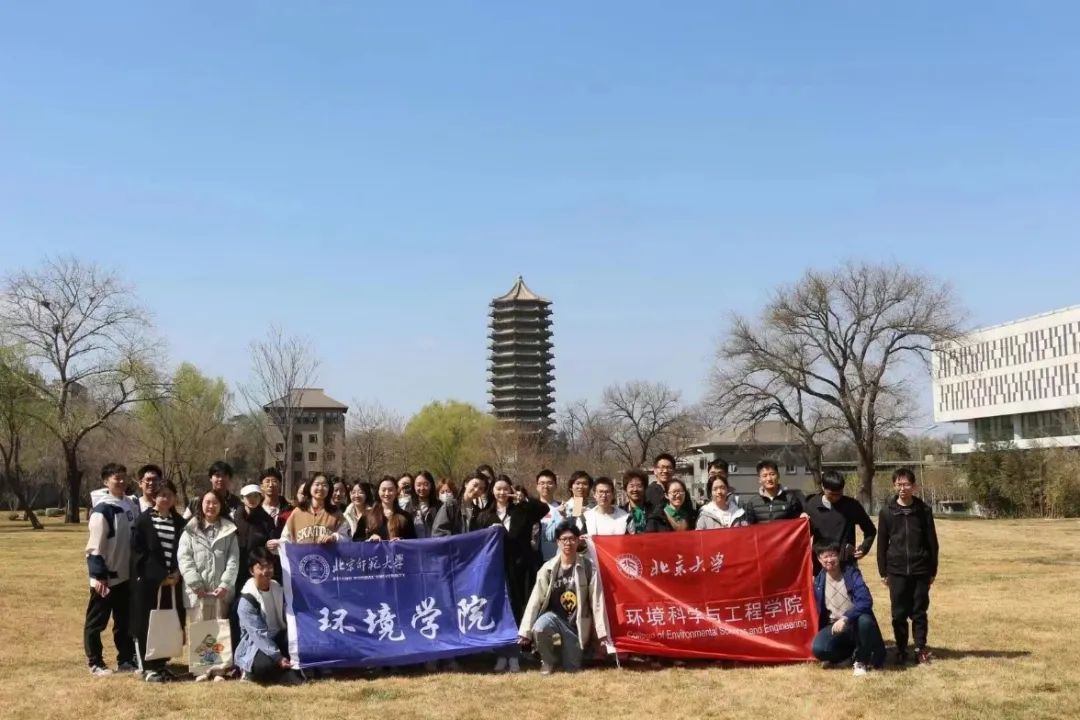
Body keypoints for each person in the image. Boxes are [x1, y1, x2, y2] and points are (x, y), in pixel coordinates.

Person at [477, 475, 551, 672]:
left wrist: (524, 499)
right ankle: (502, 653)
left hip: (521, 566)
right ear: (492, 491)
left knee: (519, 607)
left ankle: (517, 653)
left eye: (505, 489)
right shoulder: (485, 515)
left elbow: (543, 509)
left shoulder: (522, 510)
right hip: (497, 568)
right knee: (501, 609)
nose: (502, 492)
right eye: (498, 489)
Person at [518, 521, 609, 675]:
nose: (568, 543)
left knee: (572, 668)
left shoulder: (588, 567)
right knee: (540, 627)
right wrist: (525, 631)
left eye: (572, 539)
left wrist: (602, 633)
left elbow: (597, 601)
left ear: (578, 541)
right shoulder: (547, 569)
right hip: (554, 619)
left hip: (576, 626)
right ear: (557, 542)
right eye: (564, 539)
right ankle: (548, 661)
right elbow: (535, 600)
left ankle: (566, 652)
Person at [877, 467, 939, 665]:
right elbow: (882, 544)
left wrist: (932, 570)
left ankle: (920, 648)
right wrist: (883, 572)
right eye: (899, 484)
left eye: (906, 484)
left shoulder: (923, 511)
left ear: (914, 486)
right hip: (896, 570)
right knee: (899, 613)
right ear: (894, 486)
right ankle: (902, 649)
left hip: (920, 569)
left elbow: (932, 543)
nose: (902, 488)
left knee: (919, 612)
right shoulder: (887, 512)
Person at [177, 489, 239, 681]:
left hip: (220, 591)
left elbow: (233, 560)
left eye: (215, 503)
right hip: (198, 591)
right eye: (207, 502)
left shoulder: (229, 531)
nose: (211, 506)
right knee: (200, 627)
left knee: (219, 628)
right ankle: (202, 669)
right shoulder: (190, 530)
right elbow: (184, 558)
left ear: (221, 506)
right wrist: (195, 583)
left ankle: (219, 669)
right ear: (200, 505)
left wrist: (225, 584)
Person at [84, 463, 138, 677]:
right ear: (106, 481)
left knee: (123, 623)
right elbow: (94, 547)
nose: (122, 481)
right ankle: (95, 662)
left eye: (124, 477)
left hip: (124, 577)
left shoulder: (129, 504)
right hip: (106, 578)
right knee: (97, 623)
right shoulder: (102, 510)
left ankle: (125, 659)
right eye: (117, 478)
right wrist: (99, 575)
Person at [129, 479, 186, 682]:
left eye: (170, 495)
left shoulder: (180, 522)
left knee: (167, 623)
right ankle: (147, 667)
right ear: (154, 497)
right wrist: (159, 577)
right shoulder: (143, 521)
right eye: (162, 495)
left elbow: (184, 551)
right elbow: (138, 553)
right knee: (147, 623)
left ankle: (161, 664)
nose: (166, 498)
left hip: (173, 583)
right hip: (149, 583)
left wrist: (177, 573)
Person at [811, 543, 886, 675]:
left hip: (855, 621)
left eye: (833, 555)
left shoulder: (851, 573)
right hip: (834, 625)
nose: (829, 560)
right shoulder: (818, 581)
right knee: (818, 649)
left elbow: (865, 600)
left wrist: (846, 617)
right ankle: (848, 655)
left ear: (839, 556)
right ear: (819, 559)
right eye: (825, 556)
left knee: (865, 621)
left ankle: (861, 660)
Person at [235, 548, 303, 685]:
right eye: (261, 567)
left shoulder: (277, 588)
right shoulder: (247, 600)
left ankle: (289, 671)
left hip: (279, 636)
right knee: (264, 666)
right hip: (257, 644)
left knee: (301, 642)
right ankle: (249, 672)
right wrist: (278, 657)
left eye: (269, 566)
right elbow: (258, 635)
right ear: (252, 571)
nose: (266, 571)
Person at [805, 471, 876, 565]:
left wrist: (864, 548)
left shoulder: (852, 506)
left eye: (839, 494)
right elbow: (802, 534)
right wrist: (802, 520)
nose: (835, 498)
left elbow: (870, 530)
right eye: (832, 494)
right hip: (821, 563)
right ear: (823, 487)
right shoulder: (811, 505)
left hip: (845, 563)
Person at [281, 475, 348, 545]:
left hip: (328, 552)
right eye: (317, 484)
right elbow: (285, 538)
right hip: (302, 552)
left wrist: (334, 537)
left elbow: (347, 537)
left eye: (324, 485)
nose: (320, 488)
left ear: (329, 489)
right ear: (310, 487)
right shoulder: (297, 512)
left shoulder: (336, 513)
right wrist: (277, 544)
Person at [740, 460, 805, 523]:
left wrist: (803, 517)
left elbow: (798, 523)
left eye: (772, 474)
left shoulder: (790, 499)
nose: (769, 479)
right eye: (765, 476)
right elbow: (749, 527)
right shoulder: (753, 503)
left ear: (778, 475)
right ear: (759, 479)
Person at [365, 476, 416, 541]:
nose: (387, 493)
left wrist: (401, 540)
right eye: (383, 490)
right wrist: (369, 538)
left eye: (390, 490)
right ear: (378, 492)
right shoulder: (367, 515)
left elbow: (412, 541)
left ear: (396, 492)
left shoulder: (406, 516)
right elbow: (357, 540)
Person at [535, 469, 562, 562]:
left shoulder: (562, 508)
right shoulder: (531, 508)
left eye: (549, 483)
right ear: (537, 486)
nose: (545, 486)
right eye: (542, 483)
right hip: (534, 559)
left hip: (556, 558)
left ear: (555, 486)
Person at [259, 467, 292, 542]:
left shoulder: (290, 510)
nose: (271, 485)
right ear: (261, 486)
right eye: (267, 481)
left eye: (274, 481)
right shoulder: (256, 510)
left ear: (280, 484)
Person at [411, 470, 442, 539]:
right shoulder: (409, 507)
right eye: (418, 485)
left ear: (431, 485)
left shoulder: (440, 506)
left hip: (435, 544)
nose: (422, 488)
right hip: (416, 545)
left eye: (426, 484)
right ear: (414, 486)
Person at [621, 469, 651, 534]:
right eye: (631, 486)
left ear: (645, 488)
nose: (635, 489)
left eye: (639, 486)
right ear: (625, 489)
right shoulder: (620, 513)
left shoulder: (654, 511)